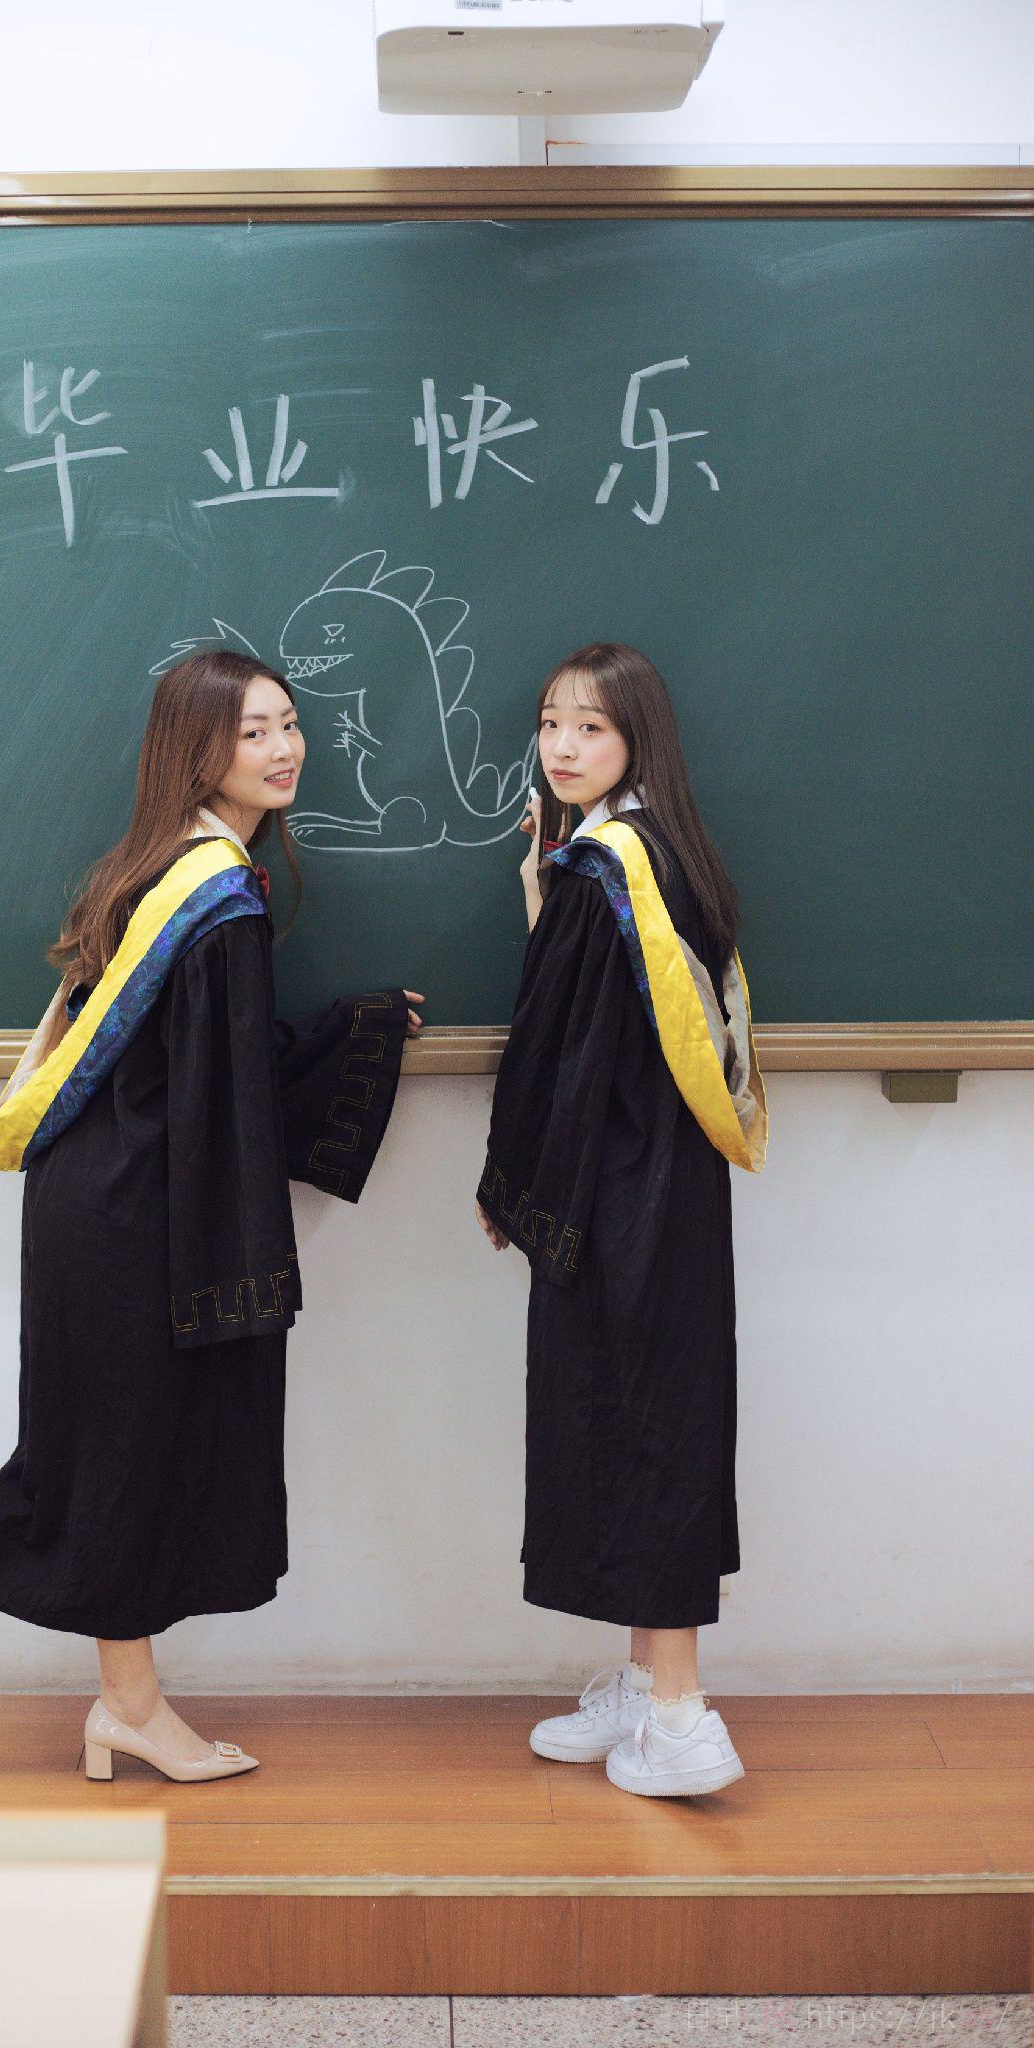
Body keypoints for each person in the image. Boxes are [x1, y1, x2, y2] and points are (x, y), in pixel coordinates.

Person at [0, 650, 423, 1783]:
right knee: (96, 1453)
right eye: (251, 732)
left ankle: (110, 1703)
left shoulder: (150, 867)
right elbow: (227, 1080)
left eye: (288, 724)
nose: (283, 748)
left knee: (105, 1452)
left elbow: (204, 1059)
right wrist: (361, 1034)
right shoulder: (217, 897)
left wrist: (349, 1028)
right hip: (141, 1216)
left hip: (95, 1200)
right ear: (197, 749)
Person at [475, 642, 766, 1799]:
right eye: (551, 722)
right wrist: (541, 890)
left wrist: (511, 1185)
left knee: (646, 1426)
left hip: (618, 1194)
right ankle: (648, 1685)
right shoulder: (653, 851)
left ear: (638, 738)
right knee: (646, 1413)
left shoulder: (609, 868)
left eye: (589, 726)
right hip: (662, 1186)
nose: (561, 745)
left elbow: (559, 1051)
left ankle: (684, 1715)